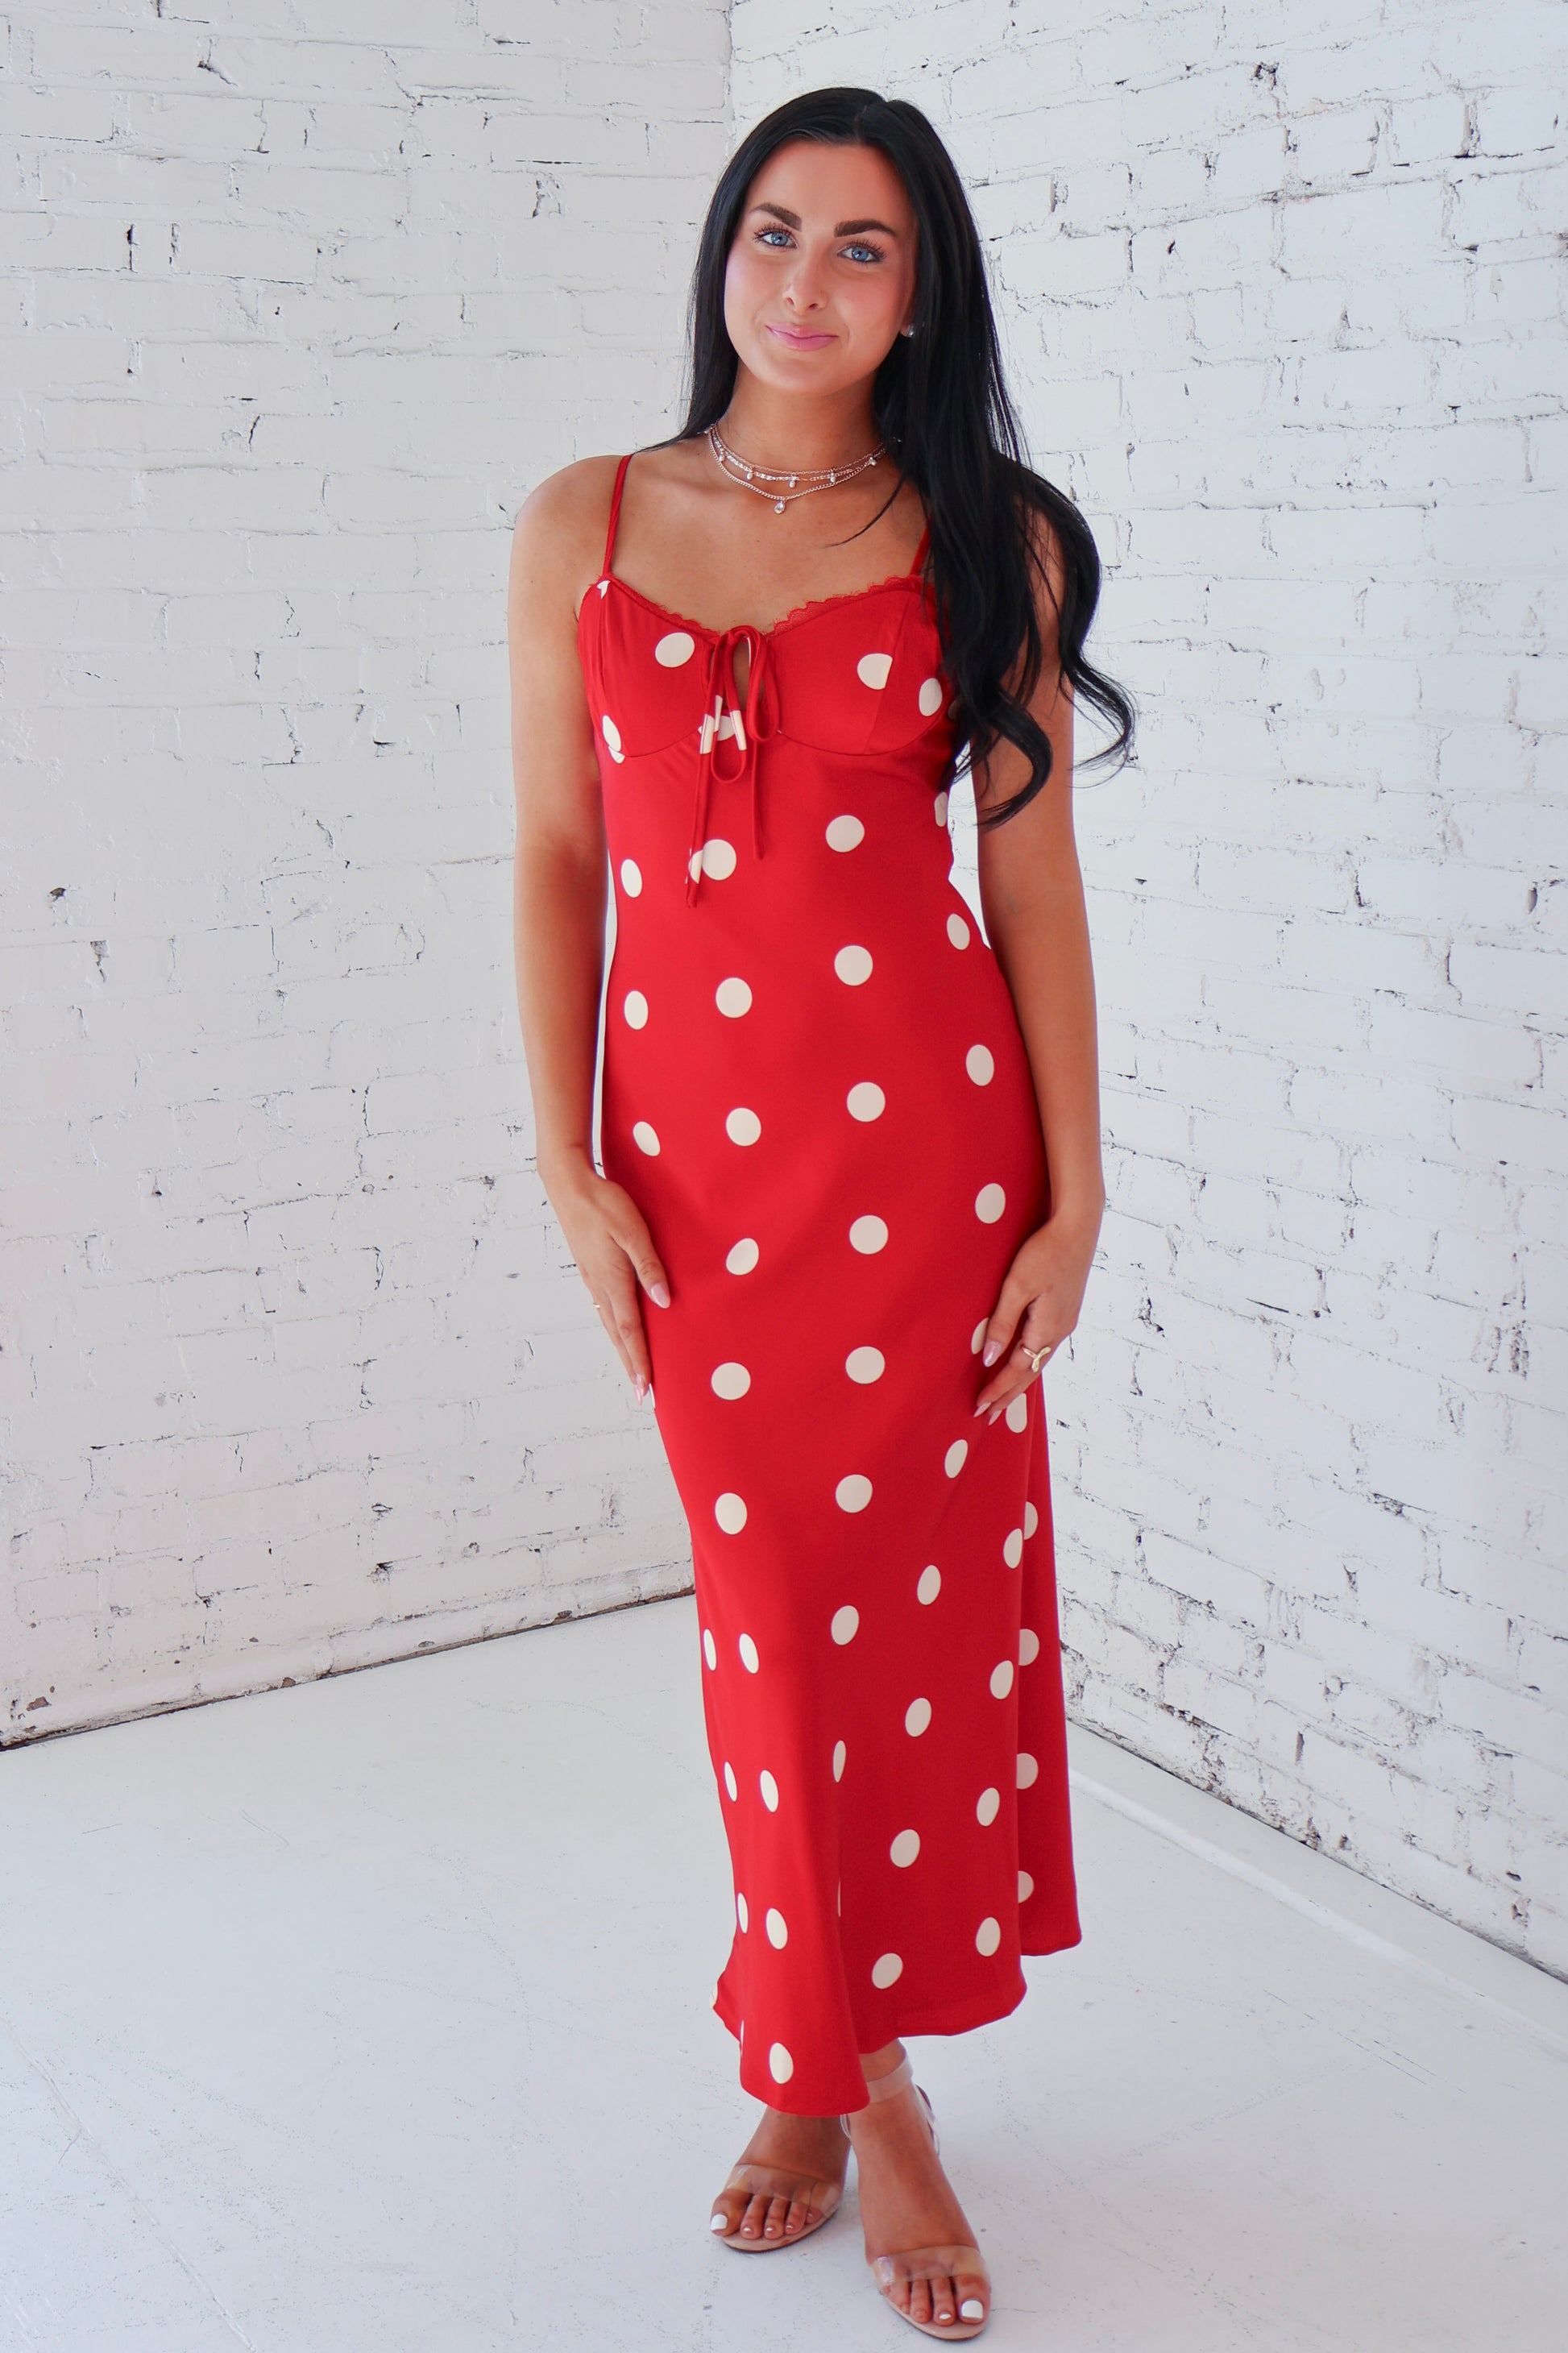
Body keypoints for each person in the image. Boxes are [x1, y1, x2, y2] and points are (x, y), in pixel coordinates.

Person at [508, 85, 1132, 2344]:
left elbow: (1030, 879)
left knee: (900, 1645)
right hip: (697, 1185)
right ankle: (828, 2066)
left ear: (919, 293)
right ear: (721, 252)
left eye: (862, 248)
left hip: (928, 1180)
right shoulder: (584, 518)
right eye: (774, 230)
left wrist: (1074, 1199)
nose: (803, 278)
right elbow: (560, 855)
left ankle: (849, 2091)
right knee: (769, 1633)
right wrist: (570, 1166)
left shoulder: (990, 536)